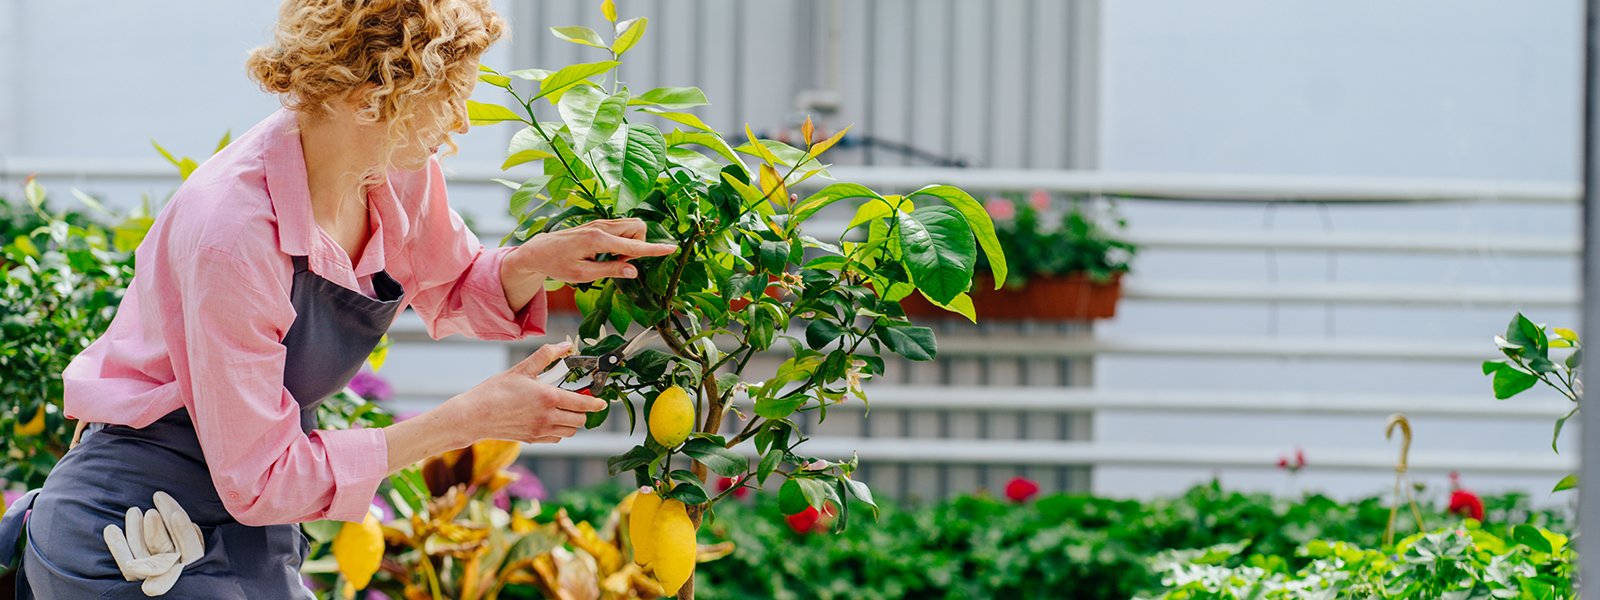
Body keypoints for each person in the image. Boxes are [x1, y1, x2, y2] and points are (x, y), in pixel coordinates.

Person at [0, 0, 676, 597]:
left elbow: (457, 281)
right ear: (367, 98)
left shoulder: (395, 171)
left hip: (249, 499)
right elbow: (262, 477)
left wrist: (538, 262)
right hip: (133, 523)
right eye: (447, 97)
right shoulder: (233, 233)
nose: (464, 121)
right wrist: (467, 419)